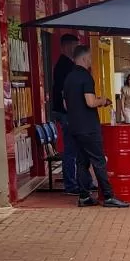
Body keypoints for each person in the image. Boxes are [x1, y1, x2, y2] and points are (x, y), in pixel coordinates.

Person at [63, 45, 129, 209]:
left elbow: (65, 104)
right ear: (84, 59)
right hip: (89, 127)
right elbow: (90, 102)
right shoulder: (86, 77)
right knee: (99, 161)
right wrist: (104, 101)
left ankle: (84, 196)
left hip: (74, 127)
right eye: (90, 58)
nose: (91, 61)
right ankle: (108, 196)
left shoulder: (69, 78)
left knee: (82, 161)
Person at [51, 34, 85, 195]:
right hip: (67, 114)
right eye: (74, 46)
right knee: (71, 149)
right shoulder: (64, 66)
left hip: (69, 113)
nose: (76, 49)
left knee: (76, 149)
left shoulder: (69, 65)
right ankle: (71, 185)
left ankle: (80, 181)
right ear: (65, 46)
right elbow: (66, 93)